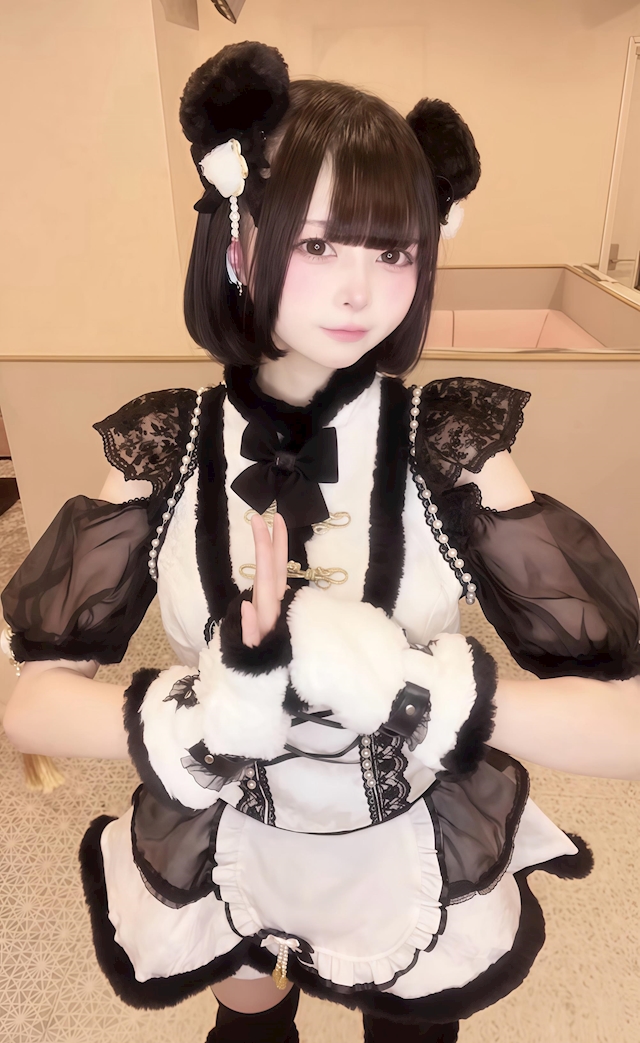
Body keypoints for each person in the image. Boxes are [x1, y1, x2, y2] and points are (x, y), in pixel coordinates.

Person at [2, 41, 640, 1043]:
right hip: (233, 845)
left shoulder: (447, 444)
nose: (361, 291)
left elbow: (626, 723)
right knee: (251, 1032)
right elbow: (31, 703)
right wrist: (204, 715)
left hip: (407, 843)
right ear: (238, 242)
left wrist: (414, 693)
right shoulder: (165, 443)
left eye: (393, 252)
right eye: (319, 245)